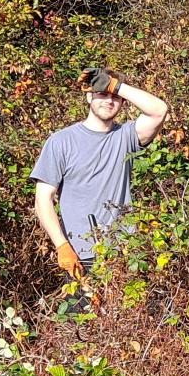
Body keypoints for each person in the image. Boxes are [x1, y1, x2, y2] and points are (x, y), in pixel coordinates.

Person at [30, 68, 170, 279]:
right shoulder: (61, 141)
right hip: (80, 256)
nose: (109, 100)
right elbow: (43, 200)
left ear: (123, 102)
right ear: (89, 96)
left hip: (125, 254)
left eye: (115, 96)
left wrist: (115, 86)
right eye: (102, 94)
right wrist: (62, 246)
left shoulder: (126, 136)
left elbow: (159, 110)